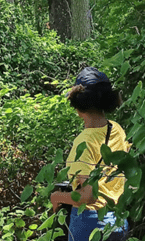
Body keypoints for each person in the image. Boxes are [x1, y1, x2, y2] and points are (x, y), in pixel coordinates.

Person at [50, 67, 130, 241]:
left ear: (78, 104)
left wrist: (57, 197)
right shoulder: (117, 129)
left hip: (91, 224)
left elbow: (88, 195)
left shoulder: (84, 142)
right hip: (118, 219)